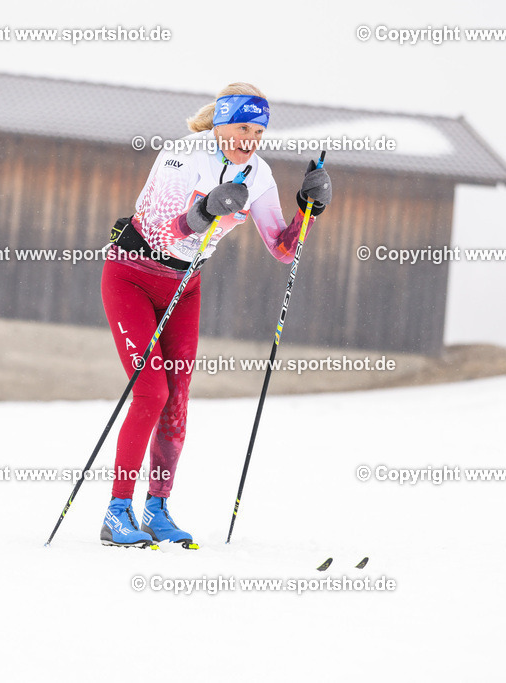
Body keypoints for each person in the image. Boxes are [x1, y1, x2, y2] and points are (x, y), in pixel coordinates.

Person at [99, 83, 332, 548]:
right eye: (243, 128)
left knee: (176, 398)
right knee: (150, 392)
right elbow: (161, 232)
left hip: (185, 285)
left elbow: (283, 249)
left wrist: (309, 210)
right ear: (221, 124)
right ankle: (116, 512)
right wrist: (203, 211)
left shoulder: (259, 175)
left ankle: (157, 508)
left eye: (259, 131)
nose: (251, 139)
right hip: (132, 276)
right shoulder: (182, 156)